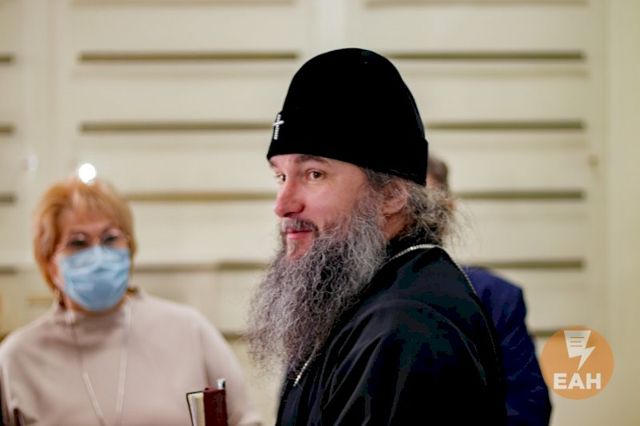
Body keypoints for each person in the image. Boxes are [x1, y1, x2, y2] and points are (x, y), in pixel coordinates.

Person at [247, 48, 506, 425]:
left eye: (314, 174)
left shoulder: (405, 328)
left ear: (391, 195)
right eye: (280, 176)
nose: (283, 205)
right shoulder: (356, 297)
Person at [0, 177, 261, 426]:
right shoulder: (17, 358)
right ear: (49, 263)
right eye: (78, 243)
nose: (98, 255)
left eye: (110, 238)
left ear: (130, 248)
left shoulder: (189, 331)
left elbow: (245, 420)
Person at [426, 155, 552, 425]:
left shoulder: (493, 296)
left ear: (448, 209)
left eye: (426, 205)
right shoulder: (354, 294)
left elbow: (528, 406)